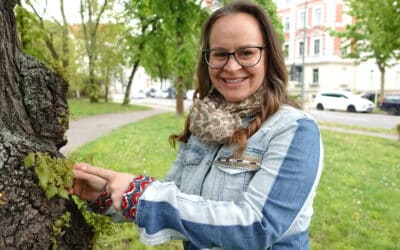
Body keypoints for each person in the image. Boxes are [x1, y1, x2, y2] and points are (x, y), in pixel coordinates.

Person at [69, 1, 324, 249]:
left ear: (268, 57)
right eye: (220, 54)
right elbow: (176, 200)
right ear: (208, 59)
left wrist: (140, 195)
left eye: (246, 53)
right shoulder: (206, 123)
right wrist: (105, 195)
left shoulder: (295, 130)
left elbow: (257, 227)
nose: (232, 66)